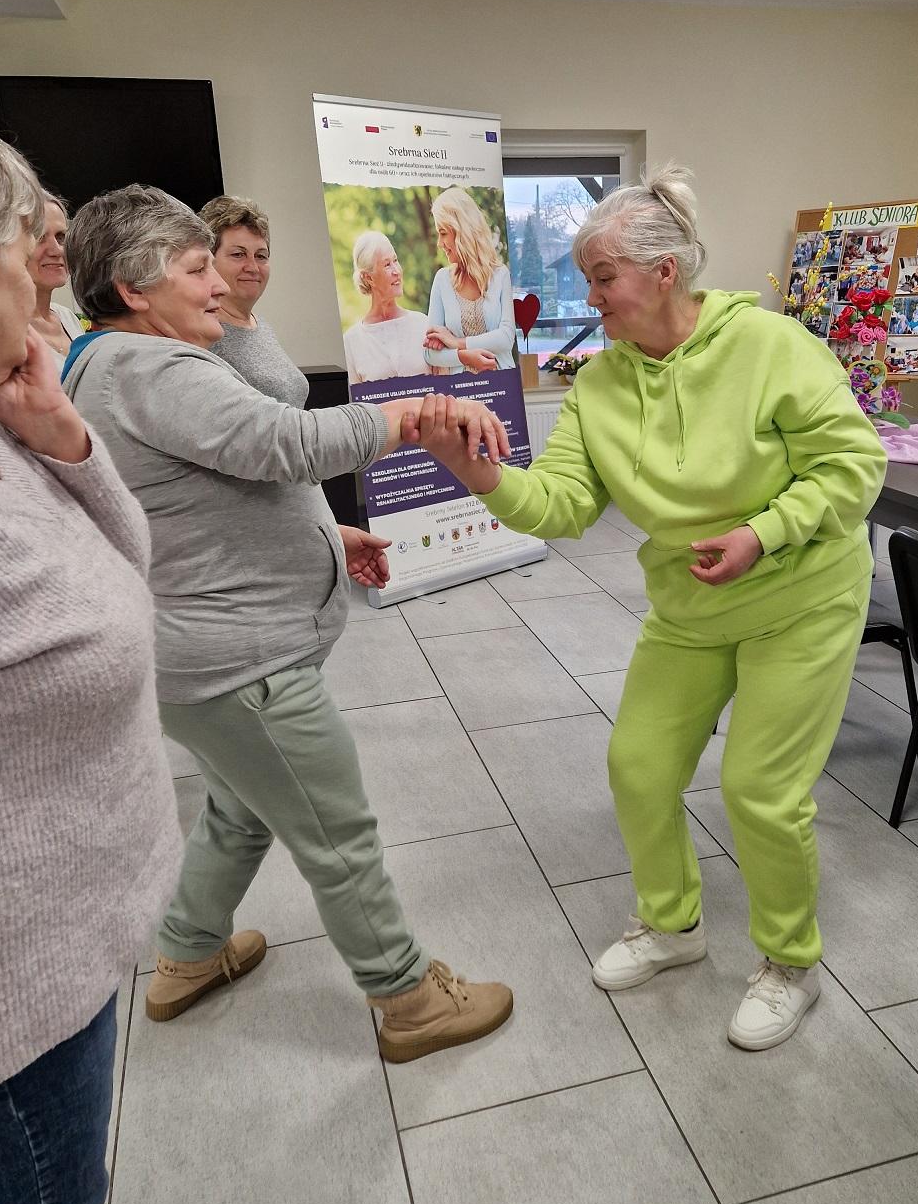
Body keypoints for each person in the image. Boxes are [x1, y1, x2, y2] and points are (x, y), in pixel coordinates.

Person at [415, 166, 886, 1050]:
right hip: (691, 606)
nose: (589, 298)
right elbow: (560, 503)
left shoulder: (771, 347)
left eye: (603, 278)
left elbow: (855, 466)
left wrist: (764, 531)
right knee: (637, 766)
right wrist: (475, 470)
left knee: (760, 791)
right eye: (587, 279)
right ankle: (672, 927)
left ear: (664, 273)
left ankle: (791, 962)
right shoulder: (598, 386)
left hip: (801, 595)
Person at [62, 185, 514, 1061]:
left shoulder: (105, 365)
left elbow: (202, 490)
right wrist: (424, 412)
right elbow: (290, 443)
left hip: (204, 663)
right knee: (336, 831)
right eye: (197, 270)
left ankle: (188, 956)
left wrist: (323, 531)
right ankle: (410, 999)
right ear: (132, 287)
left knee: (239, 811)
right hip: (244, 668)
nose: (220, 289)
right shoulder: (150, 367)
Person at [0, 130, 209, 1204]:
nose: (45, 272)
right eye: (26, 247)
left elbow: (121, 572)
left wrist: (61, 436)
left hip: (56, 948)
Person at [201, 194, 309, 406]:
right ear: (208, 261)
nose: (252, 267)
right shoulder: (205, 337)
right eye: (238, 255)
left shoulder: (259, 325)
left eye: (261, 256)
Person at [343, 230, 493, 381]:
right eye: (387, 265)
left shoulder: (423, 325)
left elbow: (446, 386)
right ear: (368, 278)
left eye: (396, 260)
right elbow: (355, 404)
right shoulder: (351, 342)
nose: (397, 271)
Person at [424, 186, 516, 373]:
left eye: (443, 233)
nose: (439, 244)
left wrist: (456, 342)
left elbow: (506, 338)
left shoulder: (500, 275)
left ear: (461, 231)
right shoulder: (442, 280)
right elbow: (430, 354)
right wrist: (464, 356)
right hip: (460, 394)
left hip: (501, 388)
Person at [27, 191, 84, 366]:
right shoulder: (2, 328)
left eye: (61, 237)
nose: (56, 250)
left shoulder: (67, 317)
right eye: (39, 237)